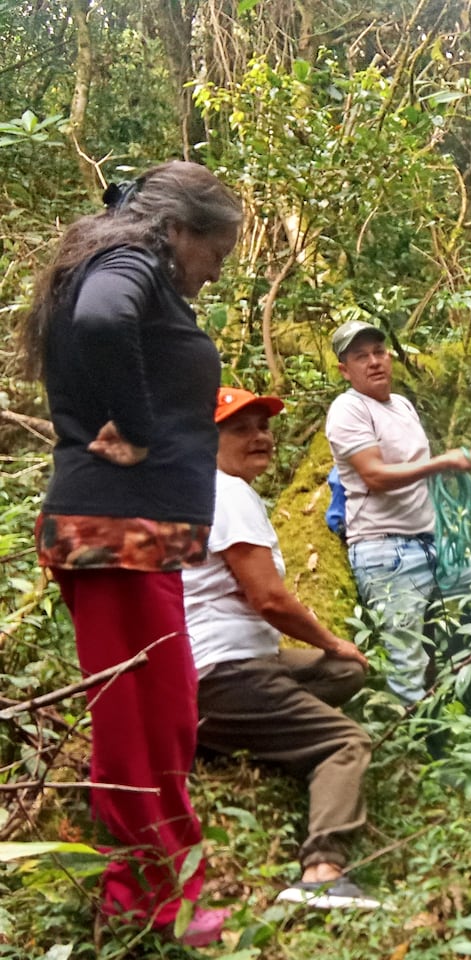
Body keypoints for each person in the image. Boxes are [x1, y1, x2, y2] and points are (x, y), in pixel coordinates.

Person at [20, 161, 242, 945]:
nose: (213, 274)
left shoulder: (134, 268)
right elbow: (104, 322)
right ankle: (142, 898)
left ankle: (168, 882)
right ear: (177, 229)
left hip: (140, 538)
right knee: (136, 724)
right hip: (115, 532)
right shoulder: (130, 264)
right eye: (213, 254)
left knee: (168, 713)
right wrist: (139, 428)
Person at [182, 387, 380, 910]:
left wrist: (334, 653)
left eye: (263, 427)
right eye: (240, 429)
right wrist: (332, 636)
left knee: (344, 673)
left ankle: (222, 733)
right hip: (226, 672)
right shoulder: (225, 494)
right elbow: (269, 599)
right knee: (346, 744)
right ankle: (322, 871)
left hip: (221, 668)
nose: (260, 437)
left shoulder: (210, 490)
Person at [324, 320, 471, 706]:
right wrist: (442, 463)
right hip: (385, 553)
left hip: (434, 545)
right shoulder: (348, 409)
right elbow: (374, 476)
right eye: (361, 357)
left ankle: (468, 678)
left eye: (379, 352)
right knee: (407, 662)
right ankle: (414, 747)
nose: (374, 362)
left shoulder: (402, 405)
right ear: (345, 370)